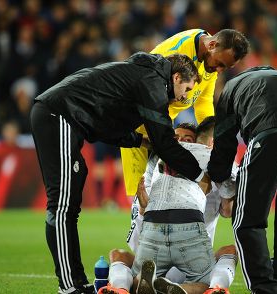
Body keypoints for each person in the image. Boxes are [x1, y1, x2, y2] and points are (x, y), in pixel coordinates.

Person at [30, 52, 208, 294]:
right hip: (59, 114)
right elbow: (165, 142)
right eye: (186, 89)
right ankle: (70, 287)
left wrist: (138, 140)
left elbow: (108, 124)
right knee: (62, 206)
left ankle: (76, 284)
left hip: (66, 118)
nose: (185, 97)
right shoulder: (153, 81)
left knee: (69, 205)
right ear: (176, 77)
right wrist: (200, 174)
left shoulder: (145, 76)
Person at [207, 66, 277, 294]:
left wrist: (224, 185)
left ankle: (265, 289)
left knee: (247, 220)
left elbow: (224, 144)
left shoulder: (230, 89)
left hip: (271, 133)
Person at [100, 118, 237, 294]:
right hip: (192, 244)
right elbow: (227, 210)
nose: (180, 142)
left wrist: (143, 204)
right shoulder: (212, 158)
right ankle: (211, 289)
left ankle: (121, 287)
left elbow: (144, 210)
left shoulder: (157, 158)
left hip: (153, 239)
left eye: (187, 139)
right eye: (176, 138)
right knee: (213, 274)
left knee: (121, 259)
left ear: (196, 142)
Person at [120, 28, 250, 197]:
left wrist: (210, 135)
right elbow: (149, 97)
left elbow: (203, 101)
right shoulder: (176, 56)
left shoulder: (208, 57)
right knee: (143, 194)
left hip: (161, 124)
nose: (219, 70)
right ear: (212, 45)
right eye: (219, 63)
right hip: (139, 122)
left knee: (160, 194)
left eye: (224, 67)